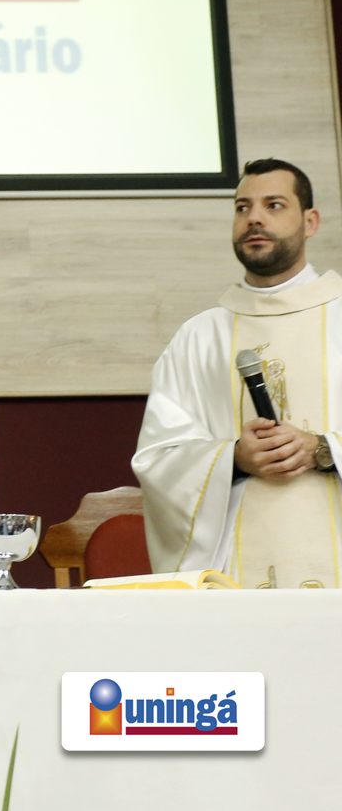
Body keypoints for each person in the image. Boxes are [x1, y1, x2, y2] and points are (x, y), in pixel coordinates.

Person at [134, 158, 342, 588]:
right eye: (242, 207)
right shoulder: (200, 337)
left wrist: (323, 449)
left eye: (274, 205)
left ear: (310, 222)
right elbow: (160, 459)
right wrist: (232, 458)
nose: (254, 219)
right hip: (233, 573)